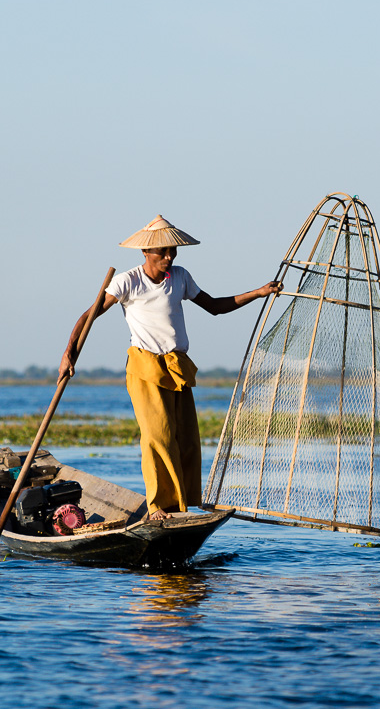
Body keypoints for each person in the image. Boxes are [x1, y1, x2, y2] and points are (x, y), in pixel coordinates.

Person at [58, 214, 280, 521]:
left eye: (172, 251)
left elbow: (215, 307)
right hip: (145, 367)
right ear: (145, 253)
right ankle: (156, 506)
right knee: (157, 436)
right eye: (162, 252)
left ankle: (182, 502)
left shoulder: (181, 277)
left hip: (177, 366)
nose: (169, 256)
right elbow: (89, 316)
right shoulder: (127, 281)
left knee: (185, 437)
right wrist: (69, 352)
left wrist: (258, 292)